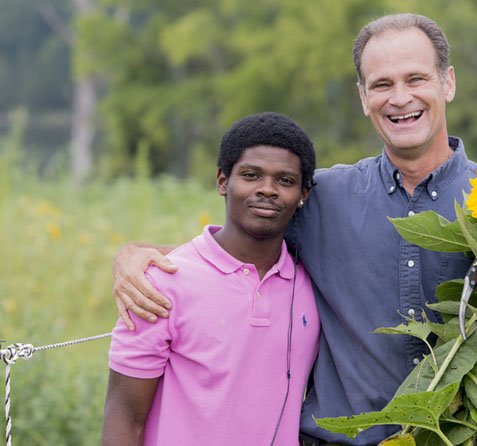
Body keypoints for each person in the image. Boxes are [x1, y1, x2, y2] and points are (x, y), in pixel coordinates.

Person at [112, 14, 477, 445]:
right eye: (382, 84)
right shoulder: (324, 197)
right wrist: (138, 256)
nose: (400, 98)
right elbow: (233, 250)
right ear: (363, 97)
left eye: (415, 79)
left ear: (448, 83)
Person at [102, 112, 320, 446]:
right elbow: (124, 419)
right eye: (250, 175)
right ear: (222, 181)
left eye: (285, 181)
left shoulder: (311, 283)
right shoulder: (158, 284)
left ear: (303, 193)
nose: (267, 190)